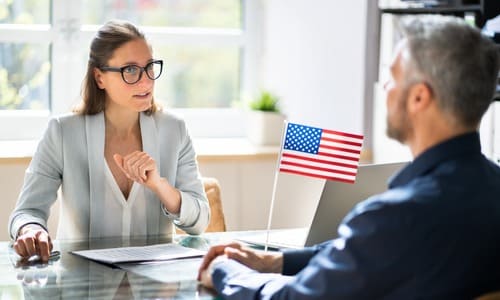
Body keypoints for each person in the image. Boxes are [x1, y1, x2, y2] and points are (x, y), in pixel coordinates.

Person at [198, 14, 500, 299]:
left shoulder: (396, 217)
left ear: (419, 97)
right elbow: (370, 252)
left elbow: (292, 297)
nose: (385, 87)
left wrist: (225, 270)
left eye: (393, 76)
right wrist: (275, 261)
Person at [9, 20, 210, 261]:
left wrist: (160, 186)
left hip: (156, 291)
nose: (146, 82)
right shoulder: (62, 133)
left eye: (150, 67)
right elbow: (27, 211)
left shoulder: (174, 130)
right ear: (99, 77)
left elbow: (200, 222)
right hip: (83, 286)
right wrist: (31, 230)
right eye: (131, 70)